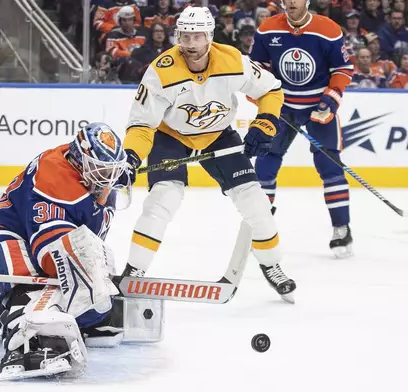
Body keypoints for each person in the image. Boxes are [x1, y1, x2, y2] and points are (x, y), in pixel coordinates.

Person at [119, 6, 296, 303]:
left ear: (210, 36)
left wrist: (265, 122)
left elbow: (272, 90)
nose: (190, 44)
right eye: (185, 36)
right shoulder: (160, 71)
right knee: (163, 198)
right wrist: (132, 155)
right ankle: (135, 269)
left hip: (218, 135)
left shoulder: (233, 60)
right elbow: (141, 125)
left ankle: (271, 263)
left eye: (197, 36)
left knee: (254, 200)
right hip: (171, 137)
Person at [0, 123, 127, 380]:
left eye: (112, 170)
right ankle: (22, 342)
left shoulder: (98, 181)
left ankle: (0, 308)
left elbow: (85, 240)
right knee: (33, 285)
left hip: (42, 243)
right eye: (101, 169)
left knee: (96, 306)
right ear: (79, 160)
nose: (108, 177)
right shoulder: (53, 177)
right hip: (3, 238)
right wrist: (85, 276)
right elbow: (50, 256)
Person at [249, 0, 355, 258]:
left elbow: (342, 69)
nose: (291, 3)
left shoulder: (328, 29)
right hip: (282, 107)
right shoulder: (268, 29)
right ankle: (262, 228)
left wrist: (330, 100)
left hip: (318, 107)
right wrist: (264, 97)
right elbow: (255, 68)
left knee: (330, 166)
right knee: (265, 161)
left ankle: (342, 227)